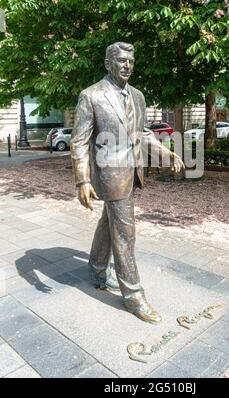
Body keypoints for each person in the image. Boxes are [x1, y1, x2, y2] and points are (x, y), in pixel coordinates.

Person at [70, 42, 184, 324]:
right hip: (108, 174)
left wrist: (165, 153)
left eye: (131, 61)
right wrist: (83, 180)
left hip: (132, 172)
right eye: (121, 61)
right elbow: (79, 142)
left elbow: (142, 134)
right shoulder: (92, 96)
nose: (127, 66)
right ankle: (133, 295)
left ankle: (97, 270)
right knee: (125, 234)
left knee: (109, 223)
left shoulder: (138, 96)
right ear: (109, 63)